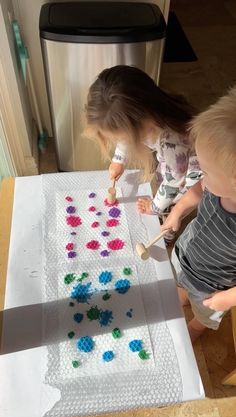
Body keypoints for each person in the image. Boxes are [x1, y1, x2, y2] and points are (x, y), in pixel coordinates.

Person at [85, 65, 202, 244]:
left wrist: (154, 207)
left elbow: (173, 184)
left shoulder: (172, 143)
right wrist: (119, 160)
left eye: (123, 138)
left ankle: (166, 235)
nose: (122, 142)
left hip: (191, 176)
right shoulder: (148, 110)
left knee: (172, 206)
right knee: (163, 188)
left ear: (139, 128)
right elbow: (125, 136)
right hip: (174, 167)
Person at [161, 85, 236, 342]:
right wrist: (178, 211)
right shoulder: (219, 184)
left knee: (204, 312)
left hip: (212, 286)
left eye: (206, 170)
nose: (201, 174)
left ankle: (197, 325)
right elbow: (198, 189)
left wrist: (228, 298)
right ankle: (181, 295)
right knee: (180, 284)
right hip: (186, 253)